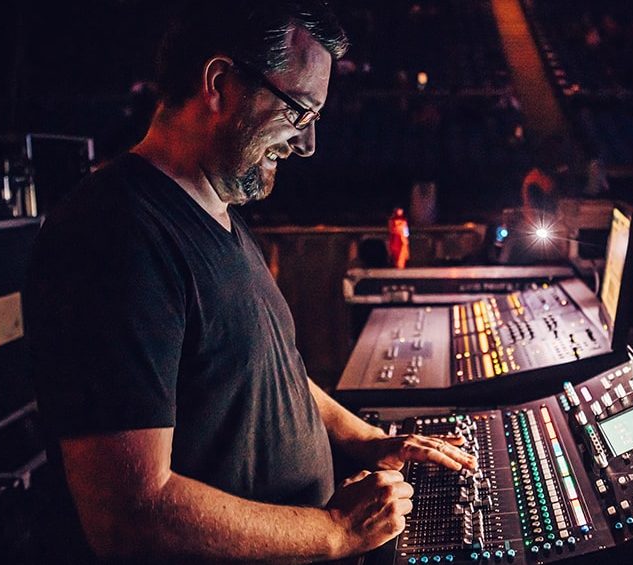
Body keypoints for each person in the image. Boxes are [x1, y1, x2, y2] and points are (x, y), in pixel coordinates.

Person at [26, 2, 475, 563]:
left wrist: (367, 439)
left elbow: (265, 370)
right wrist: (335, 532)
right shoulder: (114, 237)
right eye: (298, 112)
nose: (305, 145)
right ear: (218, 84)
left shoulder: (220, 216)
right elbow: (129, 514)